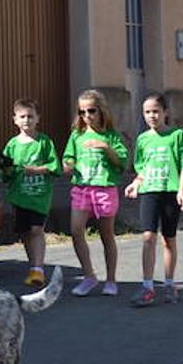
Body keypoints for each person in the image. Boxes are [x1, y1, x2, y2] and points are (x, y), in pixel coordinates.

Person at [124, 93, 183, 305]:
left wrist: (182, 191)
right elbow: (142, 169)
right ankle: (147, 287)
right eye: (147, 112)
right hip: (150, 191)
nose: (152, 116)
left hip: (170, 191)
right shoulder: (143, 139)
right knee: (147, 237)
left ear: (165, 112)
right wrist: (136, 184)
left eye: (156, 111)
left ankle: (170, 283)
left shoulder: (177, 135)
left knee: (168, 239)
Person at [63, 89, 129, 296]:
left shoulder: (111, 136)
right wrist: (69, 164)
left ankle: (111, 280)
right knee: (76, 230)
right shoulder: (77, 135)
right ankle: (89, 276)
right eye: (82, 112)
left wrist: (106, 147)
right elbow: (68, 157)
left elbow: (122, 163)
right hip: (82, 188)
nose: (87, 116)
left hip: (104, 188)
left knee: (106, 234)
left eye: (91, 111)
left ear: (101, 111)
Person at [1, 98, 60, 288]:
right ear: (15, 120)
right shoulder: (12, 145)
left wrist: (36, 170)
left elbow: (54, 166)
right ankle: (32, 266)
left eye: (30, 116)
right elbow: (6, 171)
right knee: (26, 232)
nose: (27, 120)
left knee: (37, 229)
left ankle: (38, 269)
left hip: (40, 196)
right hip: (21, 196)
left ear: (38, 119)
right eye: (22, 116)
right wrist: (6, 170)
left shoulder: (44, 142)